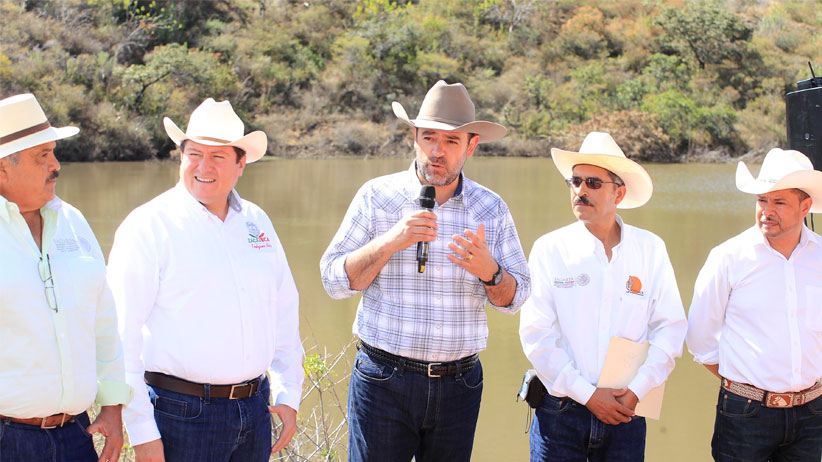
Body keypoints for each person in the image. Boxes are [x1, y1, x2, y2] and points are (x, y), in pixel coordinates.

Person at [320, 80, 531, 462]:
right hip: (384, 380)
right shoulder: (377, 196)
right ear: (414, 137)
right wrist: (389, 242)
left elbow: (515, 299)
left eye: (452, 142)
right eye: (429, 137)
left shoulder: (491, 209)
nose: (438, 151)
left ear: (471, 146)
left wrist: (491, 272)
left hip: (460, 385)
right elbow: (334, 280)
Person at [107, 98, 304, 462]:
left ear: (241, 162)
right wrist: (142, 432)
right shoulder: (149, 226)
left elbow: (283, 311)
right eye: (194, 154)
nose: (203, 167)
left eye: (217, 157)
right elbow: (121, 337)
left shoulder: (256, 222)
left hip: (255, 410)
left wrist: (288, 393)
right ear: (180, 156)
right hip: (181, 415)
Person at [519, 132, 687, 461]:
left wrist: (638, 390)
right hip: (560, 414)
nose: (580, 191)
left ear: (619, 193)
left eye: (593, 183)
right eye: (575, 181)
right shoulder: (550, 249)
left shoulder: (650, 249)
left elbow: (671, 329)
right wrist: (589, 395)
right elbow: (536, 336)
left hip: (627, 413)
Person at [0, 93, 132, 461]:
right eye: (42, 155)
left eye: (53, 152)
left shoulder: (72, 221)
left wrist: (112, 406)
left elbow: (103, 321)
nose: (56, 165)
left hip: (76, 434)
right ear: (2, 169)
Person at [686, 148, 822, 461]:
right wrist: (748, 386)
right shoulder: (729, 258)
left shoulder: (820, 257)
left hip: (812, 413)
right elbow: (700, 339)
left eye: (779, 202)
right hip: (745, 414)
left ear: (806, 207)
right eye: (762, 200)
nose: (766, 211)